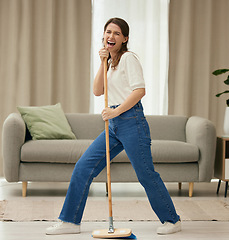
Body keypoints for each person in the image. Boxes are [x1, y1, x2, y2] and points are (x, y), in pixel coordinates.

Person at [46, 17, 181, 236]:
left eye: (117, 33)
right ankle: (69, 221)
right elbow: (98, 91)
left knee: (146, 174)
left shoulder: (128, 58)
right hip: (114, 125)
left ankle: (172, 220)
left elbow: (139, 91)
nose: (112, 36)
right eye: (108, 32)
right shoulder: (110, 63)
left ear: (125, 39)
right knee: (83, 167)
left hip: (132, 122)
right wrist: (102, 62)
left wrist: (116, 111)